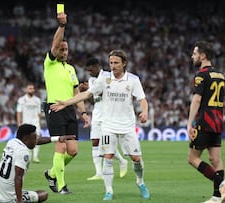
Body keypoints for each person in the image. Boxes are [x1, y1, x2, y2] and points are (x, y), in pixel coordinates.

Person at [51, 50, 150, 201]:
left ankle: (140, 182)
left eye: (116, 63)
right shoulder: (104, 80)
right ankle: (109, 190)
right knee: (108, 157)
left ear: (124, 63)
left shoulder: (133, 80)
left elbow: (142, 99)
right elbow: (87, 94)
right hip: (108, 125)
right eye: (111, 63)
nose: (113, 66)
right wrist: (66, 102)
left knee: (136, 159)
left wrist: (144, 112)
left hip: (127, 126)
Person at [42, 11, 90, 194]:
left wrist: (83, 113)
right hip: (54, 107)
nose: (64, 52)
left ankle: (52, 173)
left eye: (66, 49)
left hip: (69, 110)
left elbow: (76, 92)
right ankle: (61, 186)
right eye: (61, 49)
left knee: (73, 151)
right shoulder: (50, 63)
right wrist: (62, 26)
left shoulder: (71, 69)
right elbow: (54, 45)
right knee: (60, 146)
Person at [186, 41, 225, 203]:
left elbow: (197, 99)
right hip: (218, 121)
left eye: (194, 53)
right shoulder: (220, 76)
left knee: (192, 158)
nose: (192, 56)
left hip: (205, 121)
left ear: (203, 55)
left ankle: (222, 184)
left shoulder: (201, 75)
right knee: (216, 159)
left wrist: (189, 123)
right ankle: (217, 197)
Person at [81, 57, 128, 181]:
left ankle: (122, 161)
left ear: (97, 67)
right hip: (97, 114)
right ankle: (98, 173)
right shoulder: (91, 80)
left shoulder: (108, 77)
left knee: (106, 146)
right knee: (95, 142)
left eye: (91, 70)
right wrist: (86, 93)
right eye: (88, 71)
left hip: (109, 115)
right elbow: (93, 101)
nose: (89, 73)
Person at [16, 84, 42, 163]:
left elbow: (39, 113)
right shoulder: (21, 100)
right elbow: (19, 112)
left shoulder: (37, 100)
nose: (32, 90)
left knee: (36, 138)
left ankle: (35, 156)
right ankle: (27, 155)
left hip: (35, 122)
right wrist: (19, 123)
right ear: (26, 90)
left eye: (33, 88)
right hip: (25, 122)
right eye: (30, 88)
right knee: (25, 140)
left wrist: (39, 123)